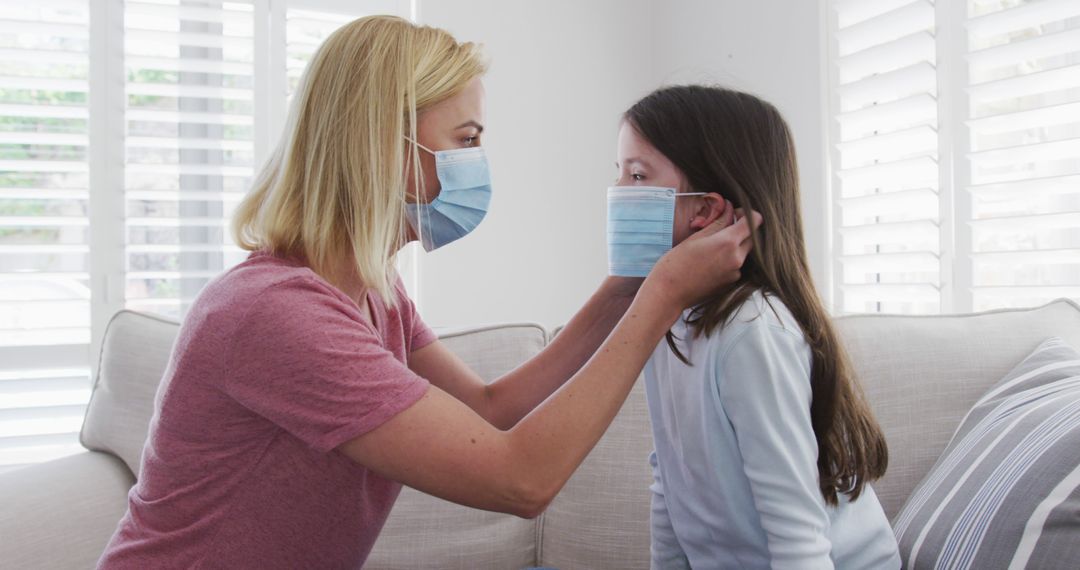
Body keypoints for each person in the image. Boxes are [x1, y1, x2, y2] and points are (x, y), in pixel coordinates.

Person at [96, 17, 760, 569]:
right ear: (382, 142)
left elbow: (490, 408)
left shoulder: (372, 292)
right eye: (465, 140)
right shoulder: (273, 313)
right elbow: (520, 478)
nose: (478, 161)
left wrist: (626, 287)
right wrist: (662, 299)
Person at [609, 85, 900, 569]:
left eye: (637, 175)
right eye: (618, 173)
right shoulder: (665, 316)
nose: (619, 192)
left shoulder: (754, 332)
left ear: (706, 210)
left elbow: (798, 536)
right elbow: (669, 482)